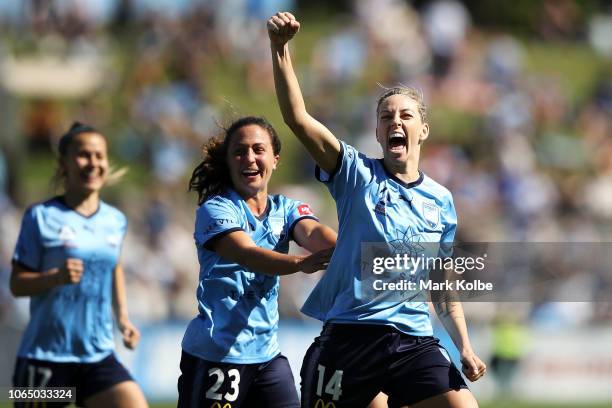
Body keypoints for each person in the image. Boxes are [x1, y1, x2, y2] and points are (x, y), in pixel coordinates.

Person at [268, 12, 486, 408]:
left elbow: (442, 282)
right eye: (386, 116)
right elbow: (297, 120)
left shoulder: (441, 200)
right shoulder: (355, 174)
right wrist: (280, 50)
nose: (395, 122)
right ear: (378, 133)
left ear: (423, 130)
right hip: (351, 338)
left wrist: (465, 348)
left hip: (413, 342)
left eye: (406, 115)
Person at [178, 116, 336, 408]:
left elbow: (313, 232)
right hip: (217, 356)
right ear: (228, 162)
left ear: (274, 159)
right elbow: (248, 255)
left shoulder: (286, 208)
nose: (249, 158)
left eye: (258, 149)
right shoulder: (216, 209)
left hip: (267, 358)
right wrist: (300, 264)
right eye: (239, 151)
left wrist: (354, 250)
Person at [10, 122, 148, 408]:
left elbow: (114, 267)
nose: (92, 163)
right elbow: (17, 283)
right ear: (64, 163)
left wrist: (122, 317)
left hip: (98, 356)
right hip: (45, 358)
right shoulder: (40, 217)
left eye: (99, 156)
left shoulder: (115, 220)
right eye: (83, 155)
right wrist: (54, 277)